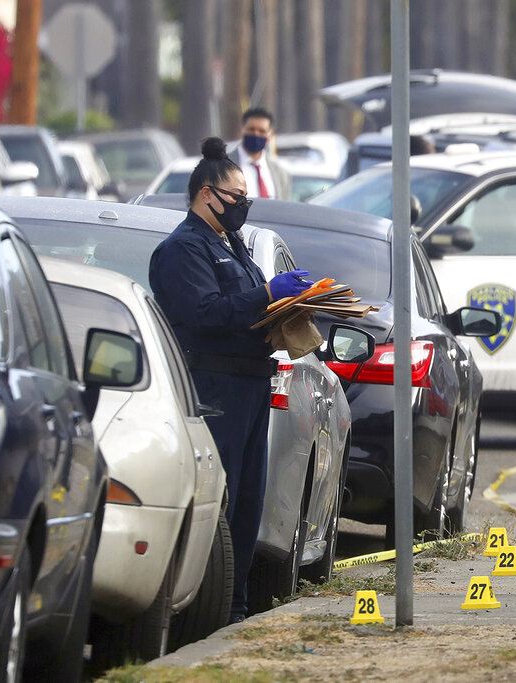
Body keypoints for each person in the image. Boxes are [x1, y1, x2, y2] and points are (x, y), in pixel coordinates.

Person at [148, 137, 313, 623]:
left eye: (246, 197)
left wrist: (290, 304)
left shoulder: (231, 243)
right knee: (220, 501)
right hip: (216, 388)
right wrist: (265, 292)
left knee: (246, 506)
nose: (243, 205)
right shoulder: (182, 249)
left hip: (252, 385)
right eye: (236, 196)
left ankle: (233, 606)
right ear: (206, 194)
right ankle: (203, 611)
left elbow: (248, 308)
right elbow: (205, 314)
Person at [231, 107, 292, 200]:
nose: (256, 134)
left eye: (262, 131)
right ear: (240, 131)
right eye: (251, 129)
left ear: (270, 136)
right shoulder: (221, 167)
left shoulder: (281, 174)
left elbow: (286, 209)